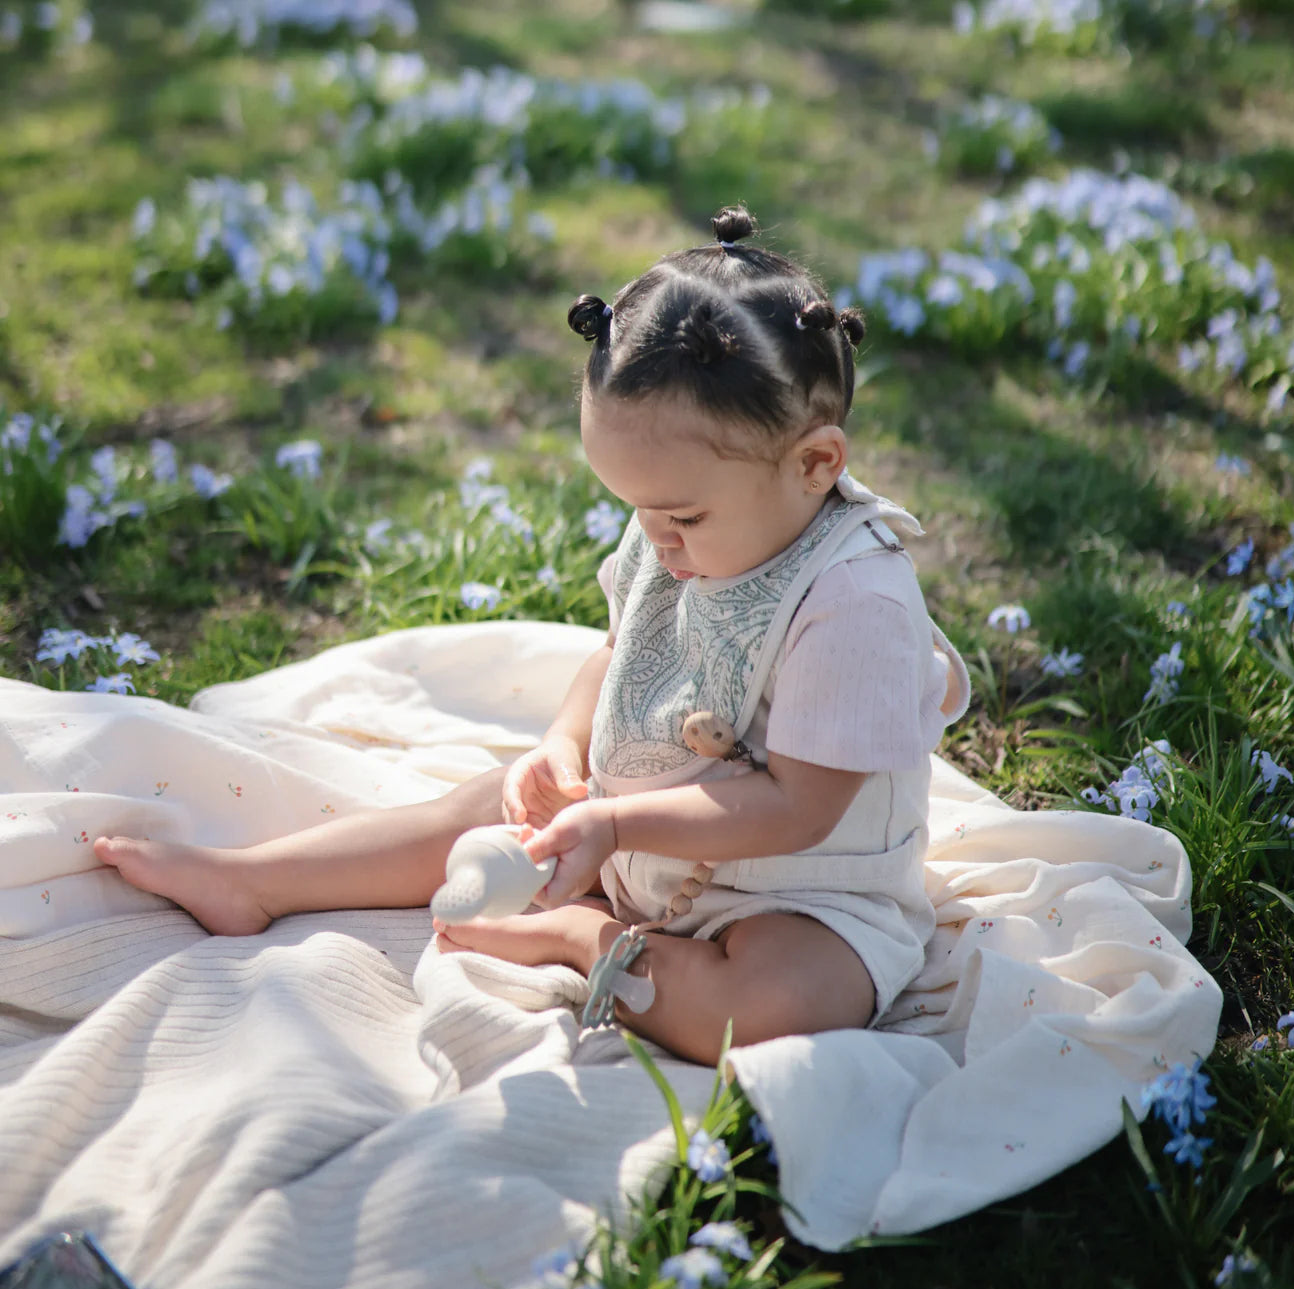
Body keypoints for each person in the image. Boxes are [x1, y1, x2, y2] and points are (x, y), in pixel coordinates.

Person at [95, 206, 969, 1066]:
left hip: (799, 894)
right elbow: (618, 651)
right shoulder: (681, 529)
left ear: (816, 464)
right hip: (632, 836)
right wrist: (562, 745)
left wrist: (616, 824)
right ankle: (252, 880)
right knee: (479, 808)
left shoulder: (857, 603)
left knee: (776, 1009)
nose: (658, 540)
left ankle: (581, 938)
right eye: (637, 509)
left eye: (683, 515)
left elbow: (799, 808)